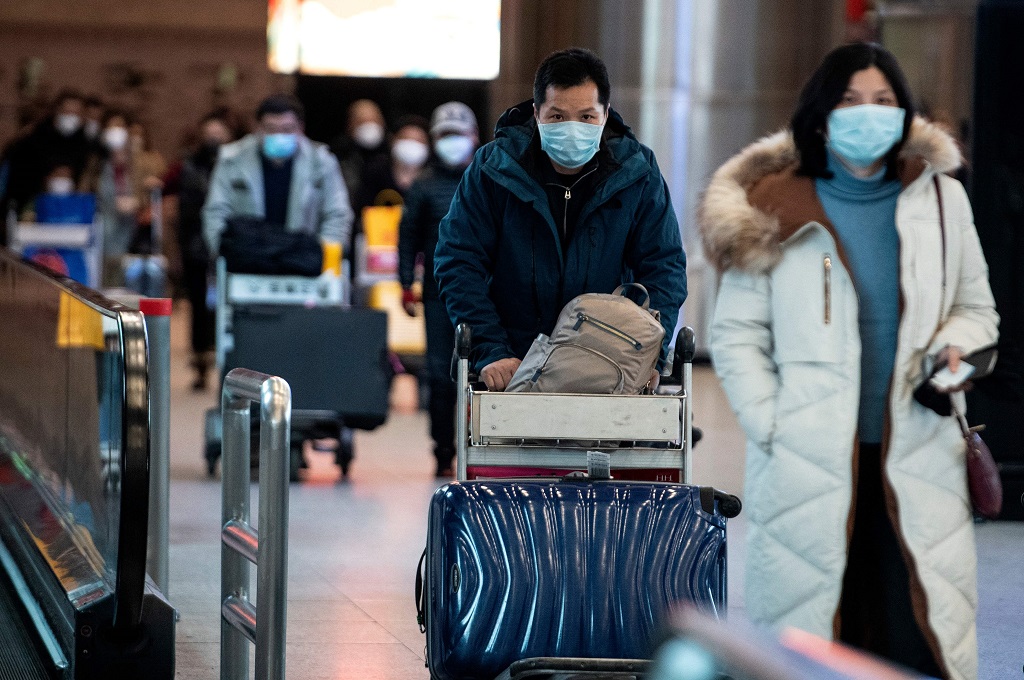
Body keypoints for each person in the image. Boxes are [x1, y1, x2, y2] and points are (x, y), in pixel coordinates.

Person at [699, 43, 998, 680]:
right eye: (850, 101)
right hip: (809, 455)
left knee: (915, 630)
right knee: (815, 640)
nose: (869, 114)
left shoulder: (941, 201)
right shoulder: (773, 205)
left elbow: (978, 308)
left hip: (917, 451)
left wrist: (958, 347)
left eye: (884, 102)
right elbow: (736, 335)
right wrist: (773, 425)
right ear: (820, 114)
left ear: (905, 113)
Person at [434, 48, 687, 392]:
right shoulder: (494, 169)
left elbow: (663, 267)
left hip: (610, 369)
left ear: (606, 114)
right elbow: (458, 259)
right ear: (536, 113)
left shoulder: (637, 173)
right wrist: (490, 349)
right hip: (512, 367)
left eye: (586, 117)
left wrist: (648, 356)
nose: (572, 129)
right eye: (557, 117)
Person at [399, 102, 479, 476]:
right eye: (445, 136)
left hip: (484, 296)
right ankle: (443, 452)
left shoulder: (487, 179)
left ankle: (480, 450)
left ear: (474, 138)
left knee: (483, 374)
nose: (452, 143)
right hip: (436, 294)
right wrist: (405, 283)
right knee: (440, 375)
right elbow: (408, 237)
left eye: (458, 135)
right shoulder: (423, 186)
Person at [203, 94, 352, 260]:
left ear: (300, 129)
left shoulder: (322, 163)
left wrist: (321, 257)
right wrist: (227, 254)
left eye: (287, 129)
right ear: (258, 128)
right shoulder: (232, 160)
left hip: (306, 264)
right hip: (246, 263)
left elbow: (337, 214)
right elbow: (216, 212)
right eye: (271, 129)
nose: (279, 136)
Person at [164, 112, 236, 390]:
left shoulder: (235, 165)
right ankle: (200, 359)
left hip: (227, 244)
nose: (214, 139)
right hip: (195, 243)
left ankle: (225, 358)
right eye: (210, 132)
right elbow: (183, 210)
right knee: (198, 303)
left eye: (220, 132)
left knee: (224, 304)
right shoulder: (188, 166)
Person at [93, 111, 167, 286]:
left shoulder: (142, 160)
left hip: (134, 229)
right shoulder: (97, 162)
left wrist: (138, 203)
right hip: (105, 228)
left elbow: (151, 189)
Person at [2, 90, 91, 217]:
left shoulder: (83, 142)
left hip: (69, 210)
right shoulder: (34, 138)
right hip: (31, 206)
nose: (71, 117)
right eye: (67, 112)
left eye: (75, 113)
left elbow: (85, 174)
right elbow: (18, 175)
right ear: (57, 110)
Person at [330, 99, 388, 201]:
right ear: (350, 125)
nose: (369, 126)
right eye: (362, 122)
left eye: (373, 121)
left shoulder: (391, 154)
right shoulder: (339, 155)